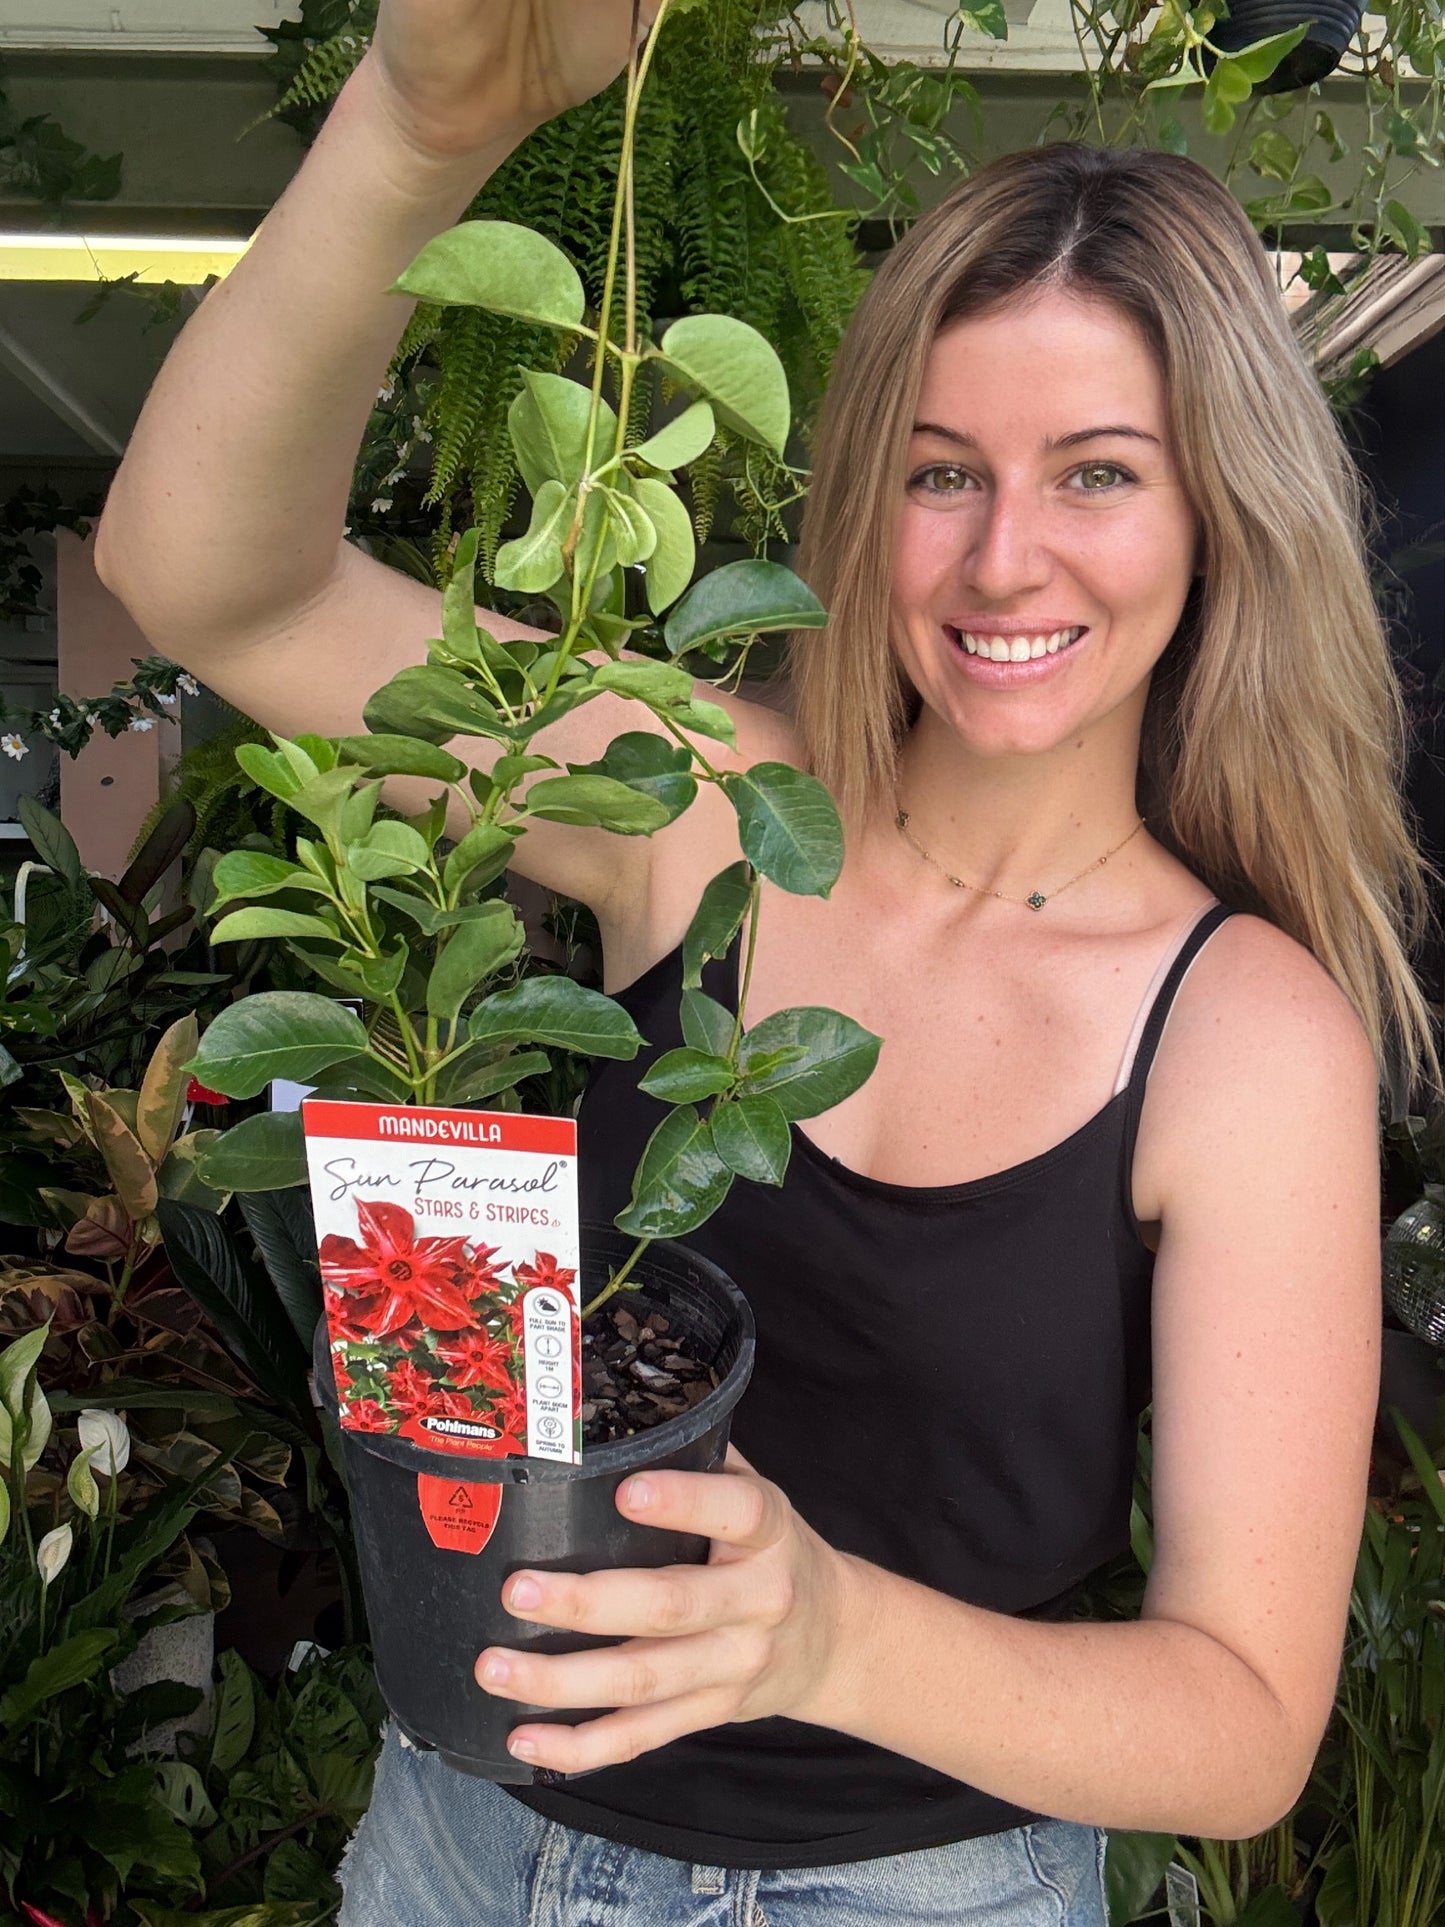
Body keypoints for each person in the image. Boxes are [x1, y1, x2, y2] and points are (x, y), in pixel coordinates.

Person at [93, 3, 1441, 1921]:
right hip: (467, 1844)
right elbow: (214, 581)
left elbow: (1238, 1727)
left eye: (1096, 474)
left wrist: (824, 1637)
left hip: (908, 1891)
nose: (1002, 561)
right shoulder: (698, 799)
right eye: (940, 471)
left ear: (1222, 515)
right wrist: (413, 127)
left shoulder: (1242, 1039)